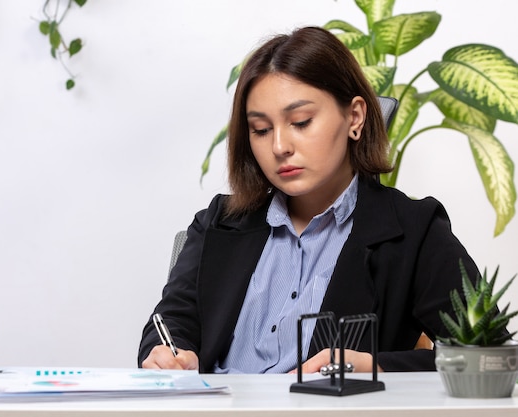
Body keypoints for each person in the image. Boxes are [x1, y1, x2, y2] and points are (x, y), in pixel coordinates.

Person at [137, 26, 479, 374]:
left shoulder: (413, 231)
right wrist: (169, 353)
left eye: (301, 122)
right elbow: (170, 322)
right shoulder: (217, 221)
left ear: (355, 118)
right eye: (261, 129)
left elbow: (488, 355)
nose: (279, 147)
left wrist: (372, 365)